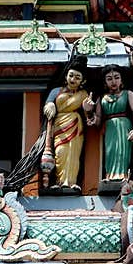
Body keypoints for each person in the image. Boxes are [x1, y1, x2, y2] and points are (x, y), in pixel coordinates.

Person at [83, 65, 133, 182]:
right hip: (109, 127)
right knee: (110, 152)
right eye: (109, 79)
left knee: (122, 152)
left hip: (124, 125)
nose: (113, 81)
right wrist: (89, 111)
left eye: (116, 77)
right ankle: (110, 176)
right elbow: (98, 120)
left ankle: (123, 175)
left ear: (121, 79)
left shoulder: (128, 94)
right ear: (105, 82)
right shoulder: (102, 98)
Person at [44, 56, 89, 191]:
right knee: (60, 152)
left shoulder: (83, 94)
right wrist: (50, 104)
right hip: (59, 125)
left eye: (77, 77)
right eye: (71, 75)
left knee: (73, 154)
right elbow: (48, 104)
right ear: (66, 76)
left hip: (75, 125)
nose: (73, 79)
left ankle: (70, 182)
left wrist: (89, 109)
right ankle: (59, 181)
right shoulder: (56, 91)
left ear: (82, 80)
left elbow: (89, 116)